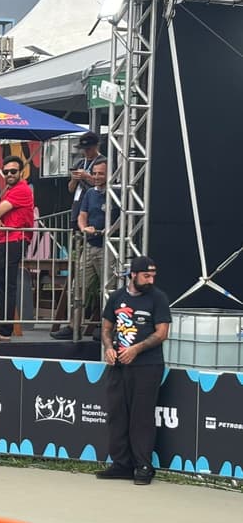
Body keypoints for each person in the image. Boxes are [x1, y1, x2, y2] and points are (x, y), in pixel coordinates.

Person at [98, 255, 171, 485]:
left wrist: (136, 349)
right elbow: (106, 329)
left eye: (153, 276)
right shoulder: (117, 297)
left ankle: (143, 466)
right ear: (133, 275)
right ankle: (121, 464)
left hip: (147, 365)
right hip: (118, 365)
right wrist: (109, 348)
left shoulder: (158, 298)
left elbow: (161, 333)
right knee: (117, 413)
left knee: (141, 416)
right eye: (146, 276)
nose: (150, 280)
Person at [53, 160, 116, 340]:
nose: (96, 177)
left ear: (109, 174)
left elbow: (124, 218)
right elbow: (82, 215)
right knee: (78, 287)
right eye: (94, 173)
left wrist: (108, 231)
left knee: (108, 289)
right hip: (89, 245)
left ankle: (107, 329)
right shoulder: (89, 193)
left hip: (108, 247)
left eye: (100, 174)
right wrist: (83, 228)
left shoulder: (116, 193)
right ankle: (74, 326)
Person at [0, 156, 35, 342]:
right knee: (0, 279)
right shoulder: (11, 190)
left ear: (21, 172)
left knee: (7, 284)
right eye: (6, 172)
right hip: (5, 239)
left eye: (13, 171)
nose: (9, 174)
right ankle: (2, 327)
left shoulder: (21, 189)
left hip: (15, 239)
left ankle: (5, 330)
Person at [68, 131, 105, 231]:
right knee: (76, 237)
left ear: (96, 146)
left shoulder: (102, 162)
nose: (85, 152)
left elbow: (103, 184)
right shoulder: (80, 162)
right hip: (77, 206)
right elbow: (71, 189)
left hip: (94, 208)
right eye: (83, 149)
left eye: (88, 149)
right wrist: (74, 179)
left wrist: (87, 176)